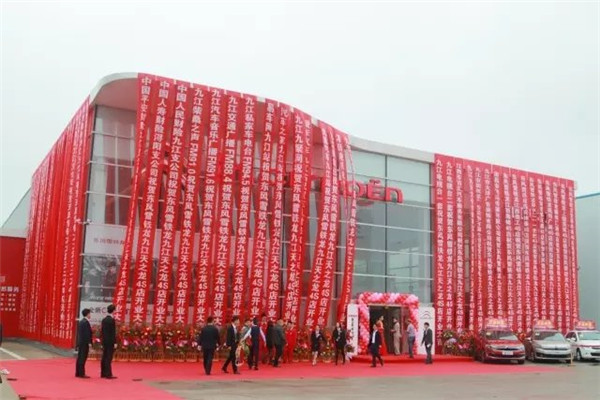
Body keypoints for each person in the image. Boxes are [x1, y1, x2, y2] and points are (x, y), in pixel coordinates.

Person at [100, 304, 117, 379]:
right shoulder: (112, 320)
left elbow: (102, 332)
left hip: (104, 341)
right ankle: (108, 374)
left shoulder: (104, 320)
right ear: (113, 311)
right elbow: (113, 332)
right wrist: (115, 342)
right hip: (110, 341)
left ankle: (103, 373)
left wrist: (102, 341)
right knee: (108, 358)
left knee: (104, 357)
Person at [75, 308, 93, 378]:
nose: (90, 315)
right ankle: (82, 373)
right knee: (83, 358)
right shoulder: (85, 322)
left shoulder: (82, 321)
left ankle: (78, 372)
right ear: (87, 314)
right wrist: (89, 343)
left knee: (80, 357)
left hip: (81, 342)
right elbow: (87, 334)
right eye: (89, 313)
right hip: (84, 343)